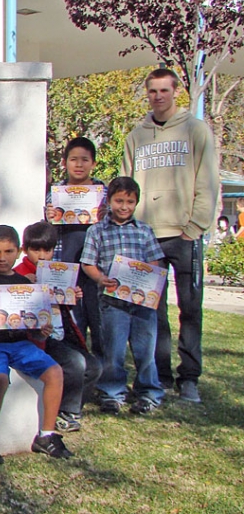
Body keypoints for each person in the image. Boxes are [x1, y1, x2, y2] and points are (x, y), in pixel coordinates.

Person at [121, 68, 219, 403]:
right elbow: (126, 185)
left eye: (164, 90)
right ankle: (159, 376)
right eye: (152, 91)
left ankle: (189, 377)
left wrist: (196, 226)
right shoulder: (136, 136)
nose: (158, 96)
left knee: (190, 310)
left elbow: (208, 181)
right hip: (147, 237)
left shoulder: (195, 130)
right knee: (152, 313)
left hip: (184, 234)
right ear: (146, 94)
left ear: (175, 92)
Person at [0, 225, 71, 462]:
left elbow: (34, 330)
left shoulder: (25, 283)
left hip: (20, 344)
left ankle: (47, 434)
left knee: (55, 372)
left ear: (19, 251)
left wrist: (42, 332)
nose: (2, 257)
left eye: (8, 251)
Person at [80, 177, 166, 415]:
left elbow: (154, 261)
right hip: (112, 302)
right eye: (119, 200)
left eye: (130, 201)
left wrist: (147, 276)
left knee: (145, 350)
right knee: (113, 350)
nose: (124, 206)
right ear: (109, 201)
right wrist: (100, 278)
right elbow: (88, 263)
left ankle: (148, 392)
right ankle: (112, 392)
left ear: (136, 202)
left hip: (142, 303)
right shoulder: (97, 230)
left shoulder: (145, 230)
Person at [14, 221, 102, 432]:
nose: (42, 255)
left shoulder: (59, 271)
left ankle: (68, 408)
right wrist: (24, 284)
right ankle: (67, 413)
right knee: (75, 363)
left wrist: (73, 296)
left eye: (48, 249)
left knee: (95, 367)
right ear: (26, 250)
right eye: (36, 250)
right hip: (38, 336)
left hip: (62, 331)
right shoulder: (19, 272)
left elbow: (63, 306)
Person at [46, 137, 106, 357]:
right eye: (73, 159)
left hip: (96, 268)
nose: (79, 165)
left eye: (84, 160)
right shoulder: (56, 193)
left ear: (93, 163)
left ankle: (102, 376)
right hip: (66, 266)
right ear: (65, 163)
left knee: (100, 322)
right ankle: (78, 373)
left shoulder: (104, 194)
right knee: (73, 323)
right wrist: (49, 217)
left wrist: (105, 216)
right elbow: (46, 232)